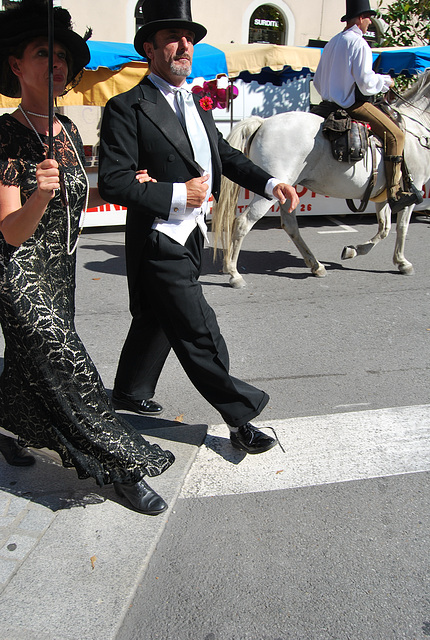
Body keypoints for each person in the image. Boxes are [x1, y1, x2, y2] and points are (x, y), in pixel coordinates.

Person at [98, 0, 300, 455]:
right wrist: (176, 195)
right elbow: (112, 179)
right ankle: (239, 416)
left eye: (189, 37)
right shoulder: (127, 106)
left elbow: (223, 157)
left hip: (192, 234)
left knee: (155, 317)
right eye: (172, 36)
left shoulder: (193, 101)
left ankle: (130, 390)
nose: (184, 44)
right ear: (149, 48)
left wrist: (270, 182)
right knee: (198, 329)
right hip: (158, 238)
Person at [0, 0, 175, 516]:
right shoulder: (4, 136)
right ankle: (121, 466)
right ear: (16, 65)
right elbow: (10, 233)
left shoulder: (69, 132)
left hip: (61, 273)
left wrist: (140, 181)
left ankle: (7, 425)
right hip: (17, 275)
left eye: (60, 57)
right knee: (72, 369)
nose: (55, 65)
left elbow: (82, 200)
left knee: (34, 367)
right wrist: (38, 195)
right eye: (41, 54)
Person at [312, 0, 423, 214]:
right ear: (361, 17)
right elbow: (365, 82)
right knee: (396, 136)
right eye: (368, 18)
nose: (370, 22)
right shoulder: (359, 43)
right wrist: (386, 81)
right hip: (352, 104)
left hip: (325, 104)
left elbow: (317, 81)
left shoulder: (332, 42)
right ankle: (394, 192)